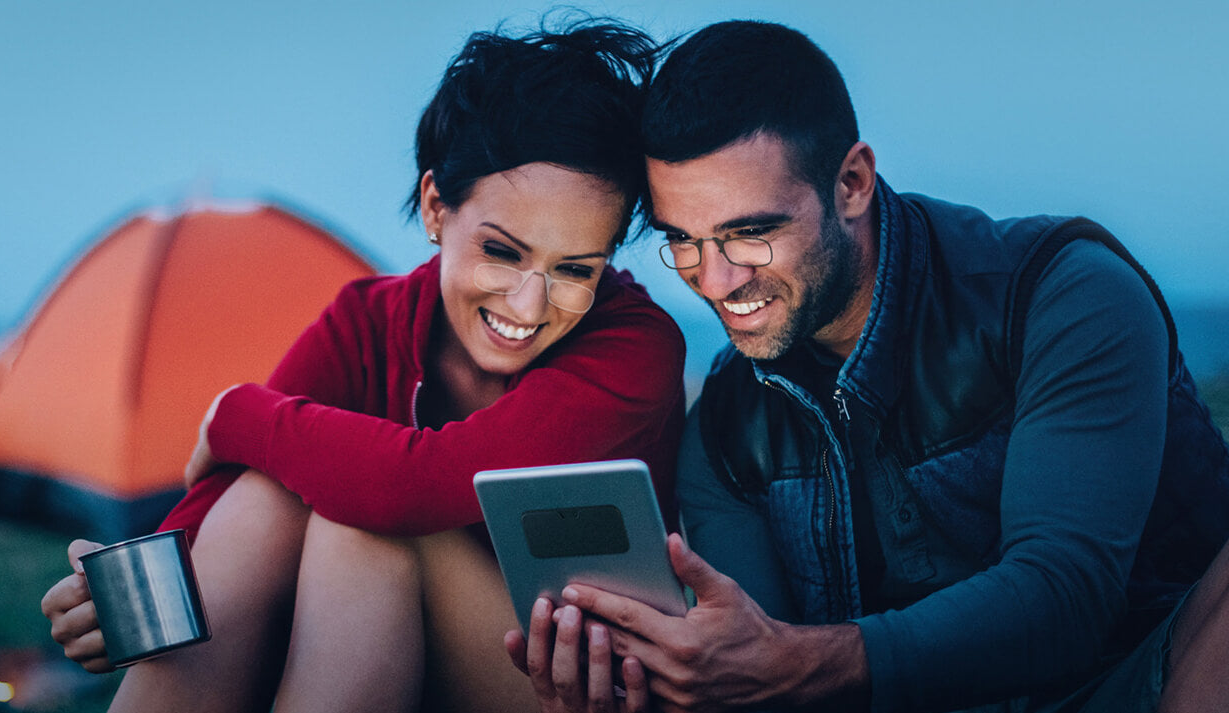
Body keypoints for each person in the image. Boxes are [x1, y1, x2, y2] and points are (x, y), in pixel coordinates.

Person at [509, 20, 1229, 713]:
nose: (716, 280)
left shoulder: (1062, 294)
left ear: (852, 181)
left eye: (750, 233)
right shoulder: (726, 423)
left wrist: (796, 662)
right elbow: (751, 670)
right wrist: (655, 682)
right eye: (684, 242)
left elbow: (1064, 596)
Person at [40, 19, 686, 713]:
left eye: (574, 269)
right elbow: (233, 493)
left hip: (581, 687)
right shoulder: (370, 318)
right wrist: (130, 598)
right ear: (438, 207)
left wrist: (235, 411)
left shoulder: (635, 348)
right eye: (501, 251)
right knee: (272, 491)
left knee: (362, 523)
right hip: (399, 652)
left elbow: (407, 485)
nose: (529, 303)